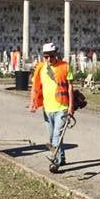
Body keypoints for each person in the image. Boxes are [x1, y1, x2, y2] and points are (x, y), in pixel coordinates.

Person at [29, 42, 74, 173]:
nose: (49, 59)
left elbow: (70, 87)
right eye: (46, 57)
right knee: (52, 136)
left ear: (56, 54)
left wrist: (70, 106)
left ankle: (55, 162)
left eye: (51, 56)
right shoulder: (40, 68)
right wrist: (33, 102)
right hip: (47, 108)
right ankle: (62, 157)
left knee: (56, 136)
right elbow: (35, 87)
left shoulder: (65, 66)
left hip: (62, 106)